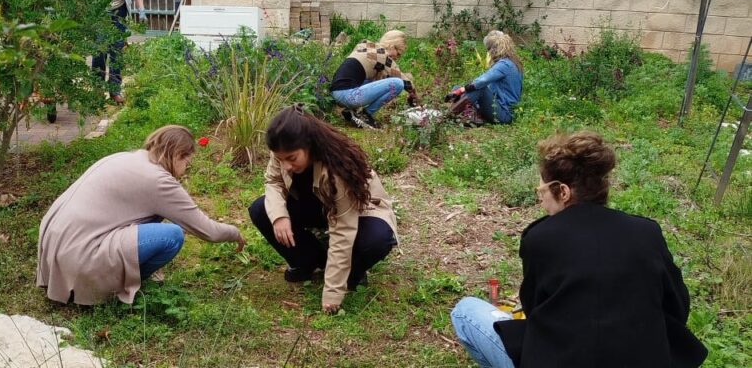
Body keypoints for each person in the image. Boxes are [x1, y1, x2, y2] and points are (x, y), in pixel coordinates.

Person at [450, 131, 708, 367]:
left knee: (465, 312)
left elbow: (535, 311)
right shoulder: (647, 231)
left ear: (562, 191)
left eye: (541, 193)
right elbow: (677, 307)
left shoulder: (540, 237)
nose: (541, 201)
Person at [36, 125, 246, 305]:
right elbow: (208, 231)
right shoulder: (158, 181)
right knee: (171, 236)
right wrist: (235, 233)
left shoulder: (125, 158)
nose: (186, 169)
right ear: (177, 155)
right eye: (187, 162)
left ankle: (81, 279)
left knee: (156, 218)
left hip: (57, 247)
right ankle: (114, 288)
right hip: (81, 257)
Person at [248, 105, 398, 313]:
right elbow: (273, 181)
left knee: (376, 239)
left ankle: (352, 272)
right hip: (318, 204)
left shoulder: (338, 168)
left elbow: (343, 230)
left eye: (291, 159)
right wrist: (279, 216)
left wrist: (332, 293)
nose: (286, 166)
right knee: (261, 209)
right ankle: (308, 262)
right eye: (280, 159)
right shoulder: (283, 149)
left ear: (309, 145)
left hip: (360, 212)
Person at [329, 30, 419, 129]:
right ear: (392, 47)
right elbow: (404, 81)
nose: (398, 57)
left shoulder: (366, 45)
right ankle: (365, 115)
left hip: (337, 93)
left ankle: (353, 111)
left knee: (378, 78)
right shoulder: (382, 56)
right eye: (398, 53)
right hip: (348, 96)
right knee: (398, 83)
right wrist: (414, 96)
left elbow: (381, 78)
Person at [92, 0, 147, 105]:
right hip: (99, 12)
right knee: (100, 50)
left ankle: (115, 91)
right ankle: (98, 90)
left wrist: (141, 10)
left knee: (117, 51)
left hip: (119, 12)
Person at [446, 30, 523, 125]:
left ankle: (445, 116)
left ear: (493, 49)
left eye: (488, 50)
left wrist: (462, 90)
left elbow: (482, 81)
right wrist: (460, 89)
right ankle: (472, 116)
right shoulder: (511, 62)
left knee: (478, 88)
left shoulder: (504, 65)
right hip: (496, 107)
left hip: (503, 114)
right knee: (457, 87)